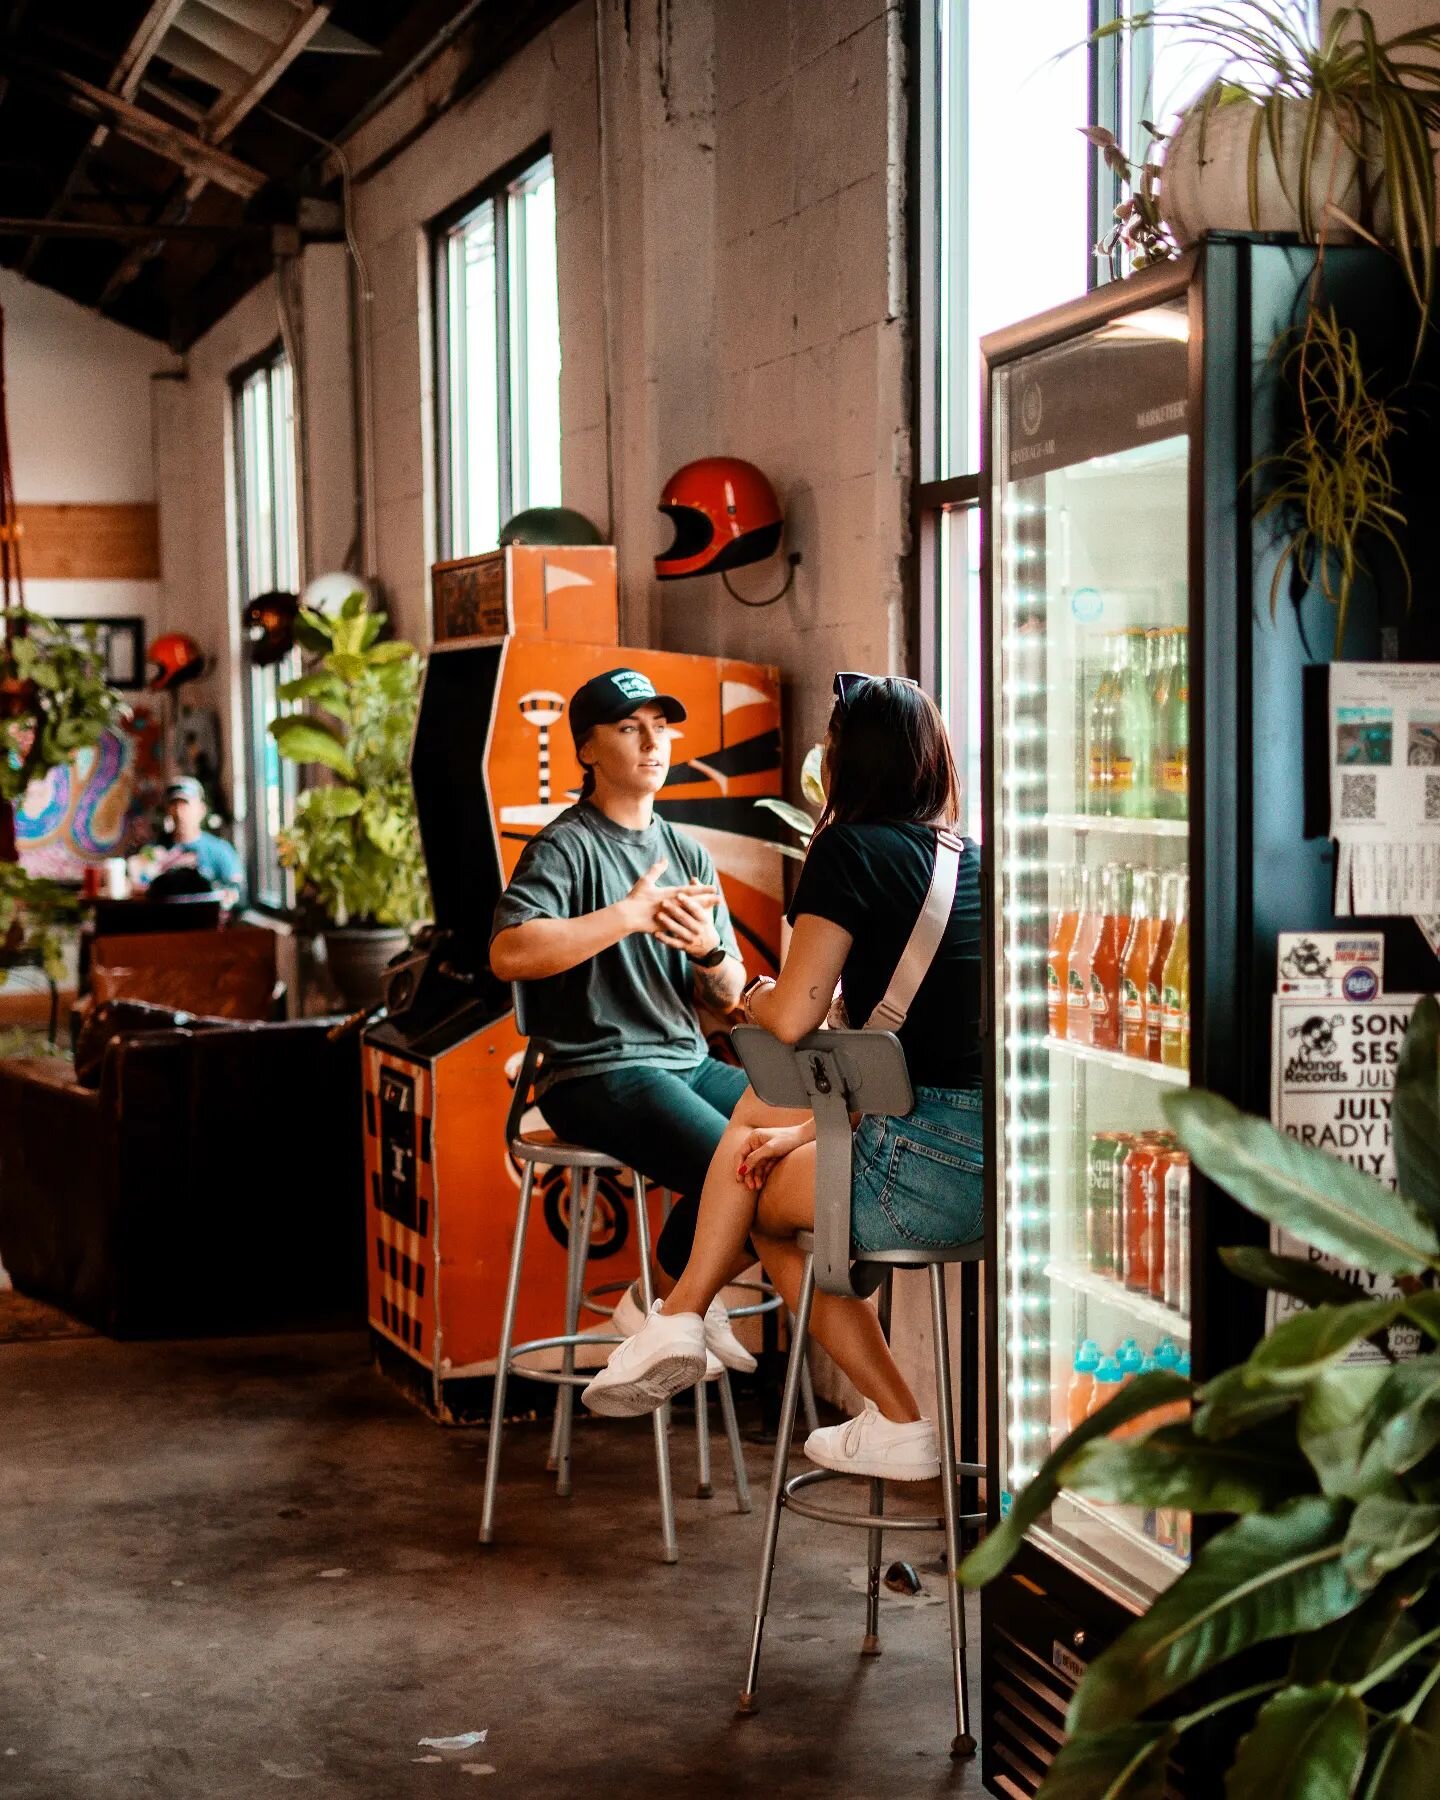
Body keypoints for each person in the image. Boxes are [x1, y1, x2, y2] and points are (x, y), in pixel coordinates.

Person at [582, 674, 983, 1482]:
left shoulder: (849, 850)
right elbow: (932, 1051)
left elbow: (797, 1021)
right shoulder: (972, 859)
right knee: (765, 1134)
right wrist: (802, 1133)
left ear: (840, 765)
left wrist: (748, 992)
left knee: (754, 1177)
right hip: (1003, 1164)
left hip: (927, 1165)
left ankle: (885, 1414)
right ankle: (680, 1320)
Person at [488, 667, 759, 1376]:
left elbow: (730, 996)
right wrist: (628, 916)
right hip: (594, 1070)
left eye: (661, 726)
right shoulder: (565, 846)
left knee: (807, 1156)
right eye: (629, 727)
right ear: (586, 749)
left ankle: (664, 1303)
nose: (652, 742)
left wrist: (706, 949)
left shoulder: (688, 851)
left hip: (685, 1060)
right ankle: (683, 1307)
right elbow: (510, 952)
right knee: (739, 1170)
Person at [157, 777, 245, 908]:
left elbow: (235, 889)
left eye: (185, 805)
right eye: (174, 805)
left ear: (201, 809)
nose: (179, 812)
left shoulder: (220, 850)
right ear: (167, 810)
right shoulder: (155, 850)